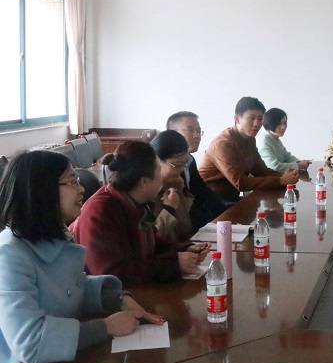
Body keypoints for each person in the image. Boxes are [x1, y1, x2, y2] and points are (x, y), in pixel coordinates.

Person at [0, 151, 163, 363]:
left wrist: (117, 298)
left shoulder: (51, 235)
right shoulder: (9, 255)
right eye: (71, 182)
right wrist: (105, 327)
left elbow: (69, 288)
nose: (82, 189)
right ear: (42, 191)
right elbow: (30, 340)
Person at [71, 141, 211, 285]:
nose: (161, 178)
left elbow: (152, 244)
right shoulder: (100, 210)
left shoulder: (136, 201)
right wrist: (174, 263)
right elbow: (111, 274)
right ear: (144, 181)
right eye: (158, 172)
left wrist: (185, 249)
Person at [199, 97, 299, 202]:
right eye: (251, 118)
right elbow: (241, 183)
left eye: (260, 119)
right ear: (237, 119)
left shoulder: (250, 139)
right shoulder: (223, 144)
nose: (257, 124)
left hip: (230, 199)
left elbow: (261, 171)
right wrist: (280, 180)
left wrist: (287, 176)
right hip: (210, 202)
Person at [166, 111, 228, 231]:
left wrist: (225, 213)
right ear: (172, 134)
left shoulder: (190, 159)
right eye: (190, 130)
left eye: (199, 131)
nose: (197, 136)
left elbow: (202, 191)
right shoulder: (166, 166)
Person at [150, 130, 194, 243]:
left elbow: (185, 230)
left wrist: (183, 193)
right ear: (157, 159)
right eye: (177, 165)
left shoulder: (173, 183)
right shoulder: (146, 190)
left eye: (184, 164)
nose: (181, 170)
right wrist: (169, 209)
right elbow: (151, 240)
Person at [257, 108, 312, 172]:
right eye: (279, 124)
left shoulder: (274, 137)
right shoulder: (263, 141)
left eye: (285, 123)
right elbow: (274, 167)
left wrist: (299, 162)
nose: (283, 127)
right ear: (270, 123)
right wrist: (298, 165)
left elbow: (286, 157)